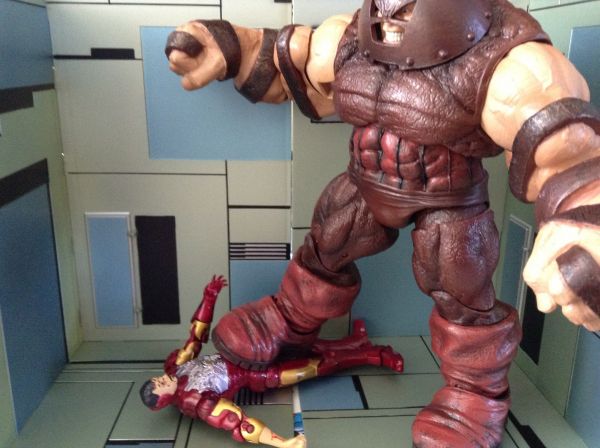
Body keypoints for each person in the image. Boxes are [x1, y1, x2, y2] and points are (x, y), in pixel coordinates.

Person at [164, 0, 600, 445]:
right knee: (327, 242)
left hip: (448, 198)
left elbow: (566, 147)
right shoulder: (352, 37)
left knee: (460, 289)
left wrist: (585, 228)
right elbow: (293, 65)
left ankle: (476, 391)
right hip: (365, 181)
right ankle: (290, 321)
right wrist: (229, 47)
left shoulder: (508, 57)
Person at [140, 275, 403, 447]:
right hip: (256, 375)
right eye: (161, 385)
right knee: (312, 366)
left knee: (304, 345)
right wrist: (281, 442)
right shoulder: (194, 400)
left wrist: (209, 298)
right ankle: (372, 355)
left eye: (157, 379)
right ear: (163, 401)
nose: (163, 379)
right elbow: (236, 421)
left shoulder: (175, 366)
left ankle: (356, 342)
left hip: (240, 348)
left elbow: (196, 335)